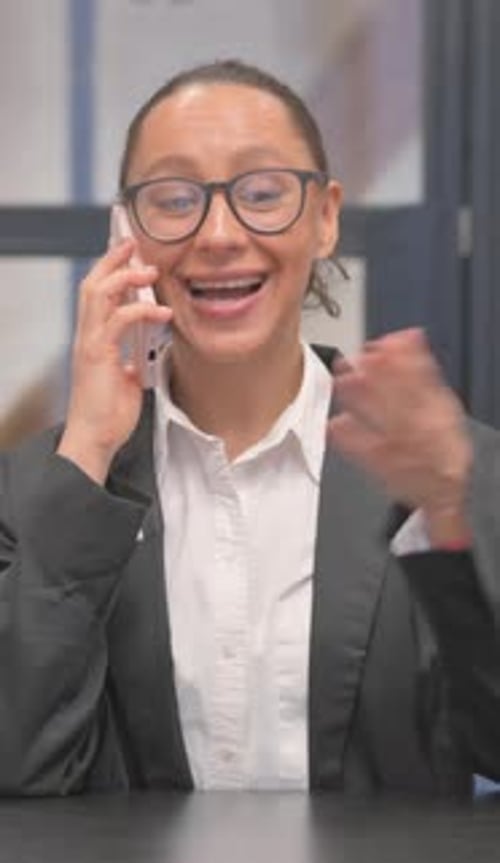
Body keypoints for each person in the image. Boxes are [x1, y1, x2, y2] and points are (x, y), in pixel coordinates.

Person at [2, 59, 500, 796]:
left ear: (325, 217)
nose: (219, 234)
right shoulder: (40, 492)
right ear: (128, 232)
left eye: (262, 193)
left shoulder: (449, 470)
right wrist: (89, 448)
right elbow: (19, 769)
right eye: (173, 200)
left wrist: (456, 522)